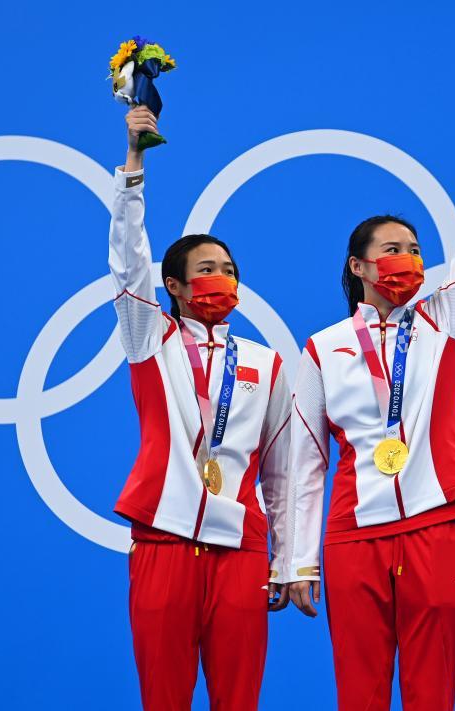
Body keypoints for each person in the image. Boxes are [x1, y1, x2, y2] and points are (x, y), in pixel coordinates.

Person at [286, 78, 455, 710]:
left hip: (432, 523)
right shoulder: (322, 346)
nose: (408, 260)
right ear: (358, 266)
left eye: (414, 251)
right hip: (352, 534)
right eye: (391, 251)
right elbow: (305, 463)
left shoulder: (446, 318)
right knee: (358, 692)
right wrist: (299, 559)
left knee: (431, 688)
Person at [109, 105, 292, 711]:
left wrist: (289, 559)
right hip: (163, 540)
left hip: (239, 550)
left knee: (239, 700)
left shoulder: (265, 363)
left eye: (230, 270)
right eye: (206, 270)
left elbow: (281, 473)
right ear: (176, 287)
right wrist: (133, 168)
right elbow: (128, 266)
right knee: (164, 699)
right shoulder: (150, 339)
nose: (222, 278)